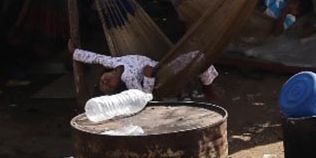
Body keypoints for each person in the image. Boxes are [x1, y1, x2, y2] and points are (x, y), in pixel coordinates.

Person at [70, 42, 220, 99]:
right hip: (161, 75)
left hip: (162, 64)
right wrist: (149, 77)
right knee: (197, 57)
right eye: (108, 87)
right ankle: (208, 88)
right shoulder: (128, 79)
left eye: (102, 83)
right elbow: (144, 97)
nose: (105, 82)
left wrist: (75, 52)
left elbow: (94, 57)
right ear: (117, 87)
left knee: (199, 57)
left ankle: (207, 86)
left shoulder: (112, 62)